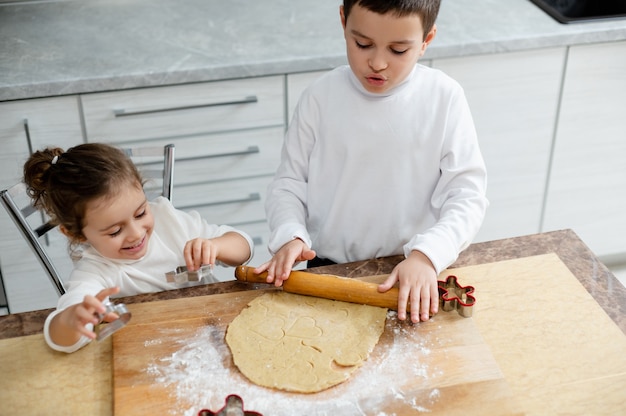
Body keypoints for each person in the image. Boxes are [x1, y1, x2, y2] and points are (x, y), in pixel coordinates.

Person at [256, 0, 488, 323]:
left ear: (426, 40)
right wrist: (290, 233)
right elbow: (289, 184)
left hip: (412, 274)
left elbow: (467, 196)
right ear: (343, 21)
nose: (377, 63)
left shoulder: (444, 99)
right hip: (327, 270)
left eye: (398, 50)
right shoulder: (319, 99)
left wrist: (428, 255)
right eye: (362, 44)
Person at [23, 143, 253, 353]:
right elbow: (60, 338)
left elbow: (244, 248)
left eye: (141, 213)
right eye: (115, 231)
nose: (136, 233)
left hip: (221, 331)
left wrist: (217, 245)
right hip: (155, 351)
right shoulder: (96, 271)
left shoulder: (169, 220)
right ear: (76, 234)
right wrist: (71, 320)